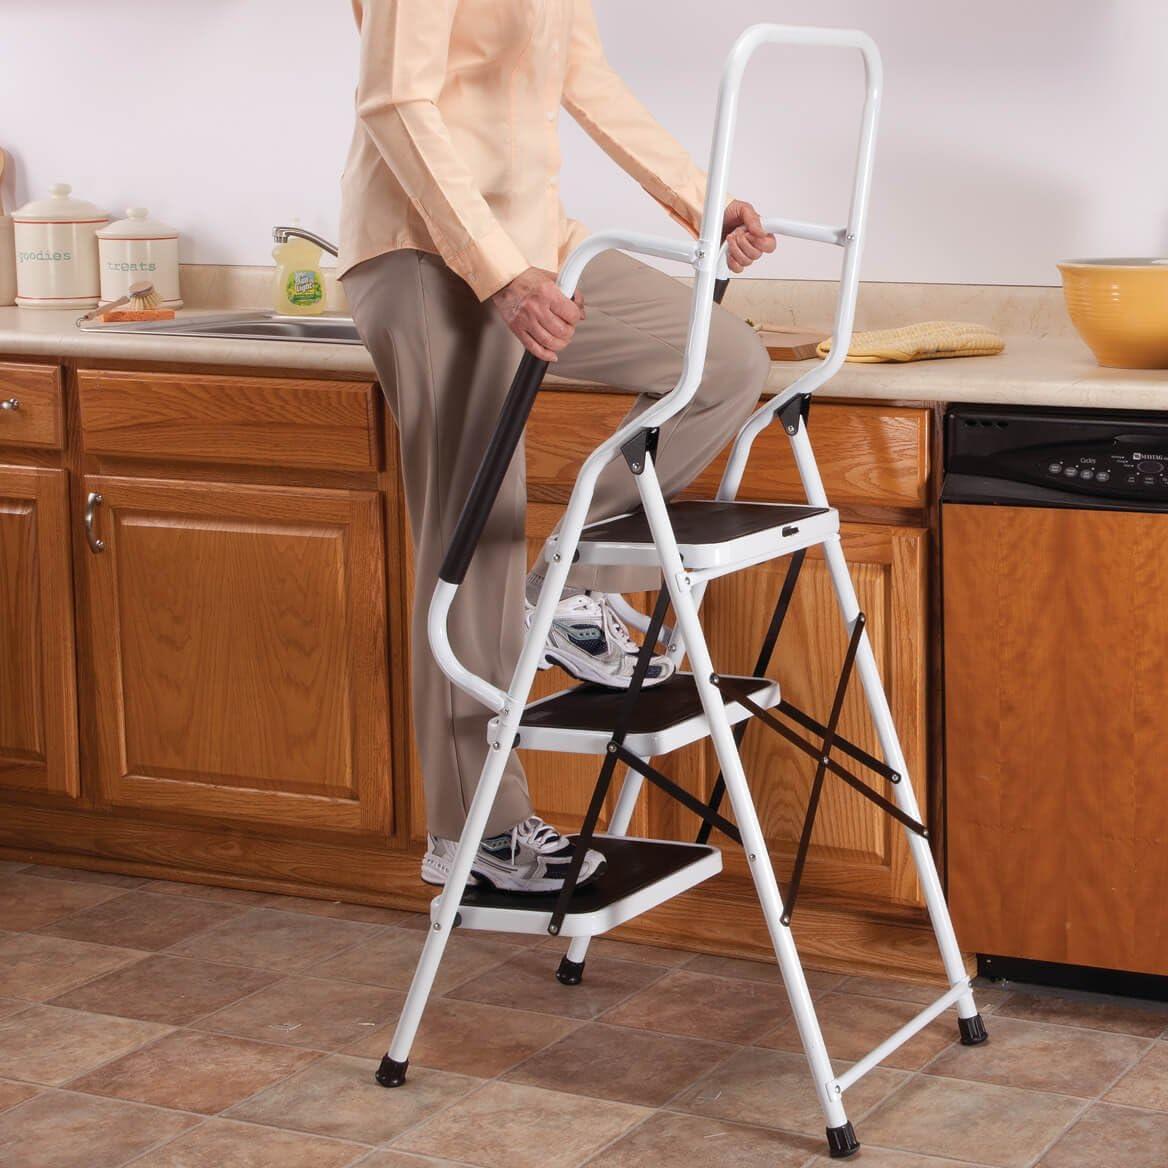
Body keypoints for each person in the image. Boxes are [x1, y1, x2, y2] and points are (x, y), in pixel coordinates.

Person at [339, 0, 776, 894]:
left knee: (723, 360)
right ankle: (477, 832)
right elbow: (394, 101)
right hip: (430, 253)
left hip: (544, 241)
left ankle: (568, 582)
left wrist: (704, 201)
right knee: (476, 532)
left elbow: (585, 77)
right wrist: (496, 272)